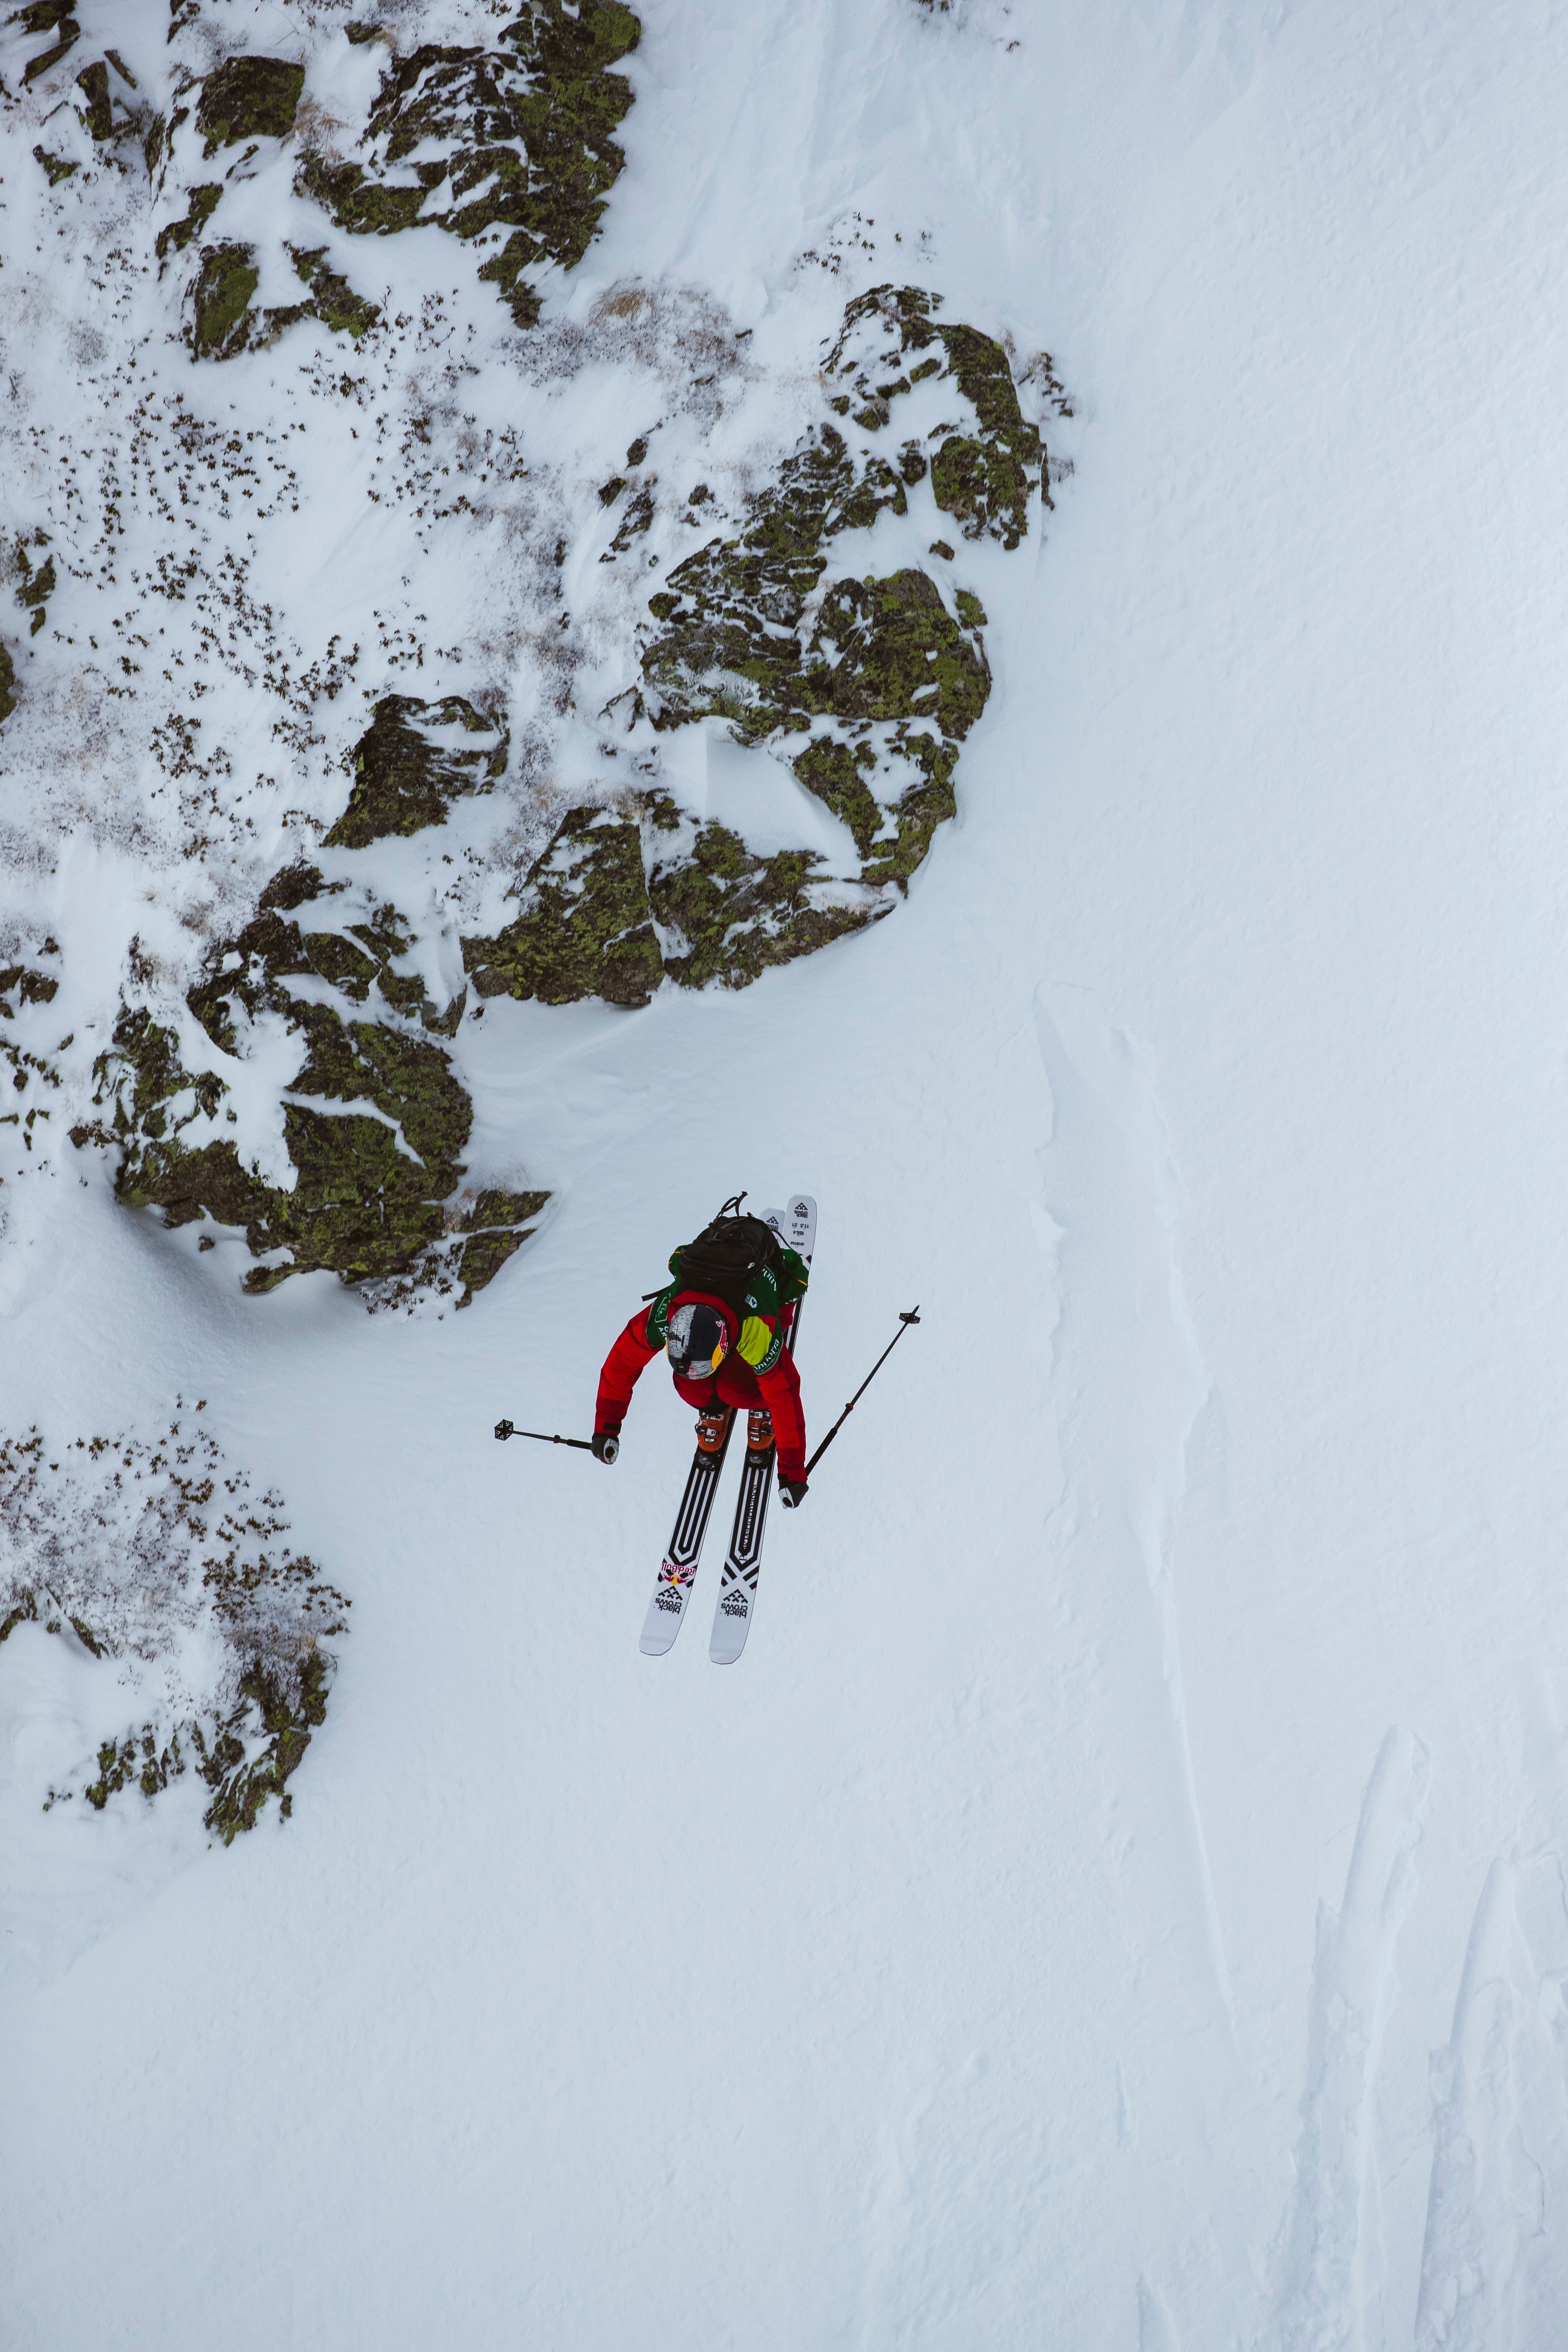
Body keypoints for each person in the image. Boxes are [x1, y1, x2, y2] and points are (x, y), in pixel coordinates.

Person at [593, 1209, 811, 1505]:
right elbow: (623, 1362)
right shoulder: (668, 1314)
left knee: (742, 1388)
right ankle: (716, 1403)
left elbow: (784, 1394)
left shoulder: (756, 1329)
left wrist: (792, 1471)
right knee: (689, 1385)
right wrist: (607, 1426)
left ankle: (761, 1408)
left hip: (758, 1295)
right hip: (717, 1294)